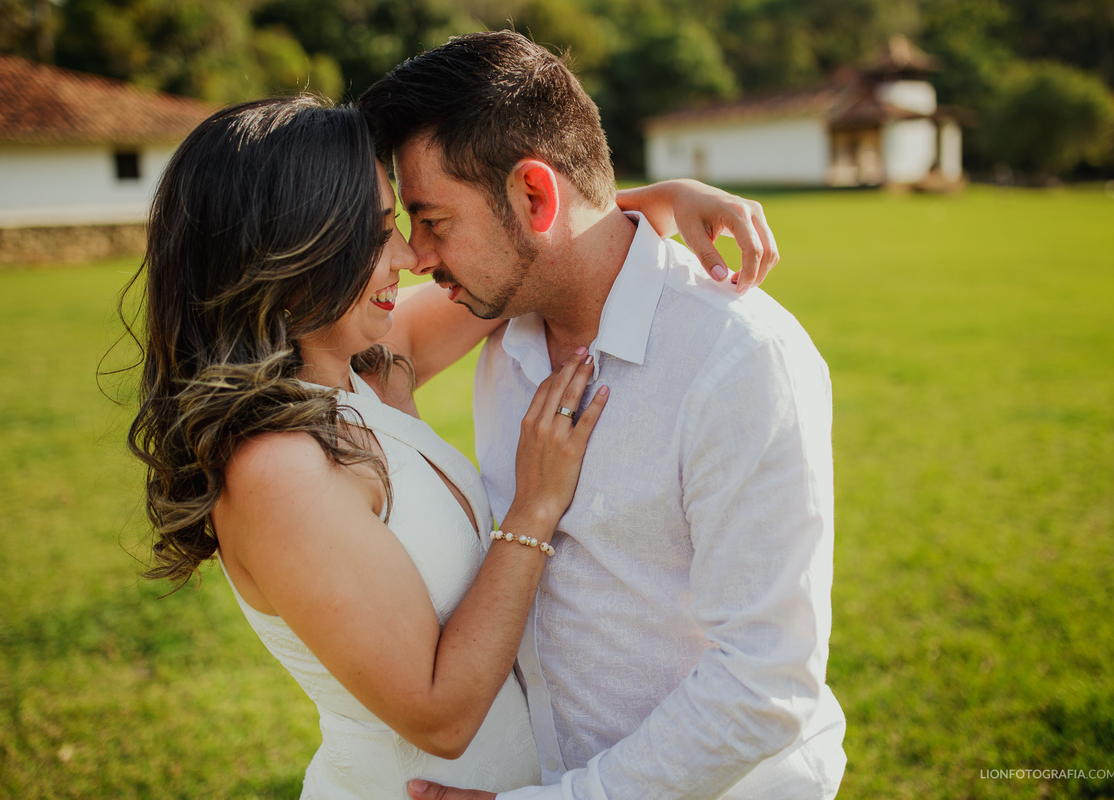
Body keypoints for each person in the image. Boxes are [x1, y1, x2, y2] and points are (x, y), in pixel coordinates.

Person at [125, 95, 778, 799]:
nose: (408, 256)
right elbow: (440, 715)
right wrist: (533, 509)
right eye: (378, 234)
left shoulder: (359, 366)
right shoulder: (277, 469)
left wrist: (655, 201)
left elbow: (517, 262)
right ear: (292, 255)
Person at [359, 31, 848, 800]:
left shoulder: (738, 360)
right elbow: (359, 343)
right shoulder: (503, 318)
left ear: (534, 196)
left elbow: (764, 681)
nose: (417, 256)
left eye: (434, 221)